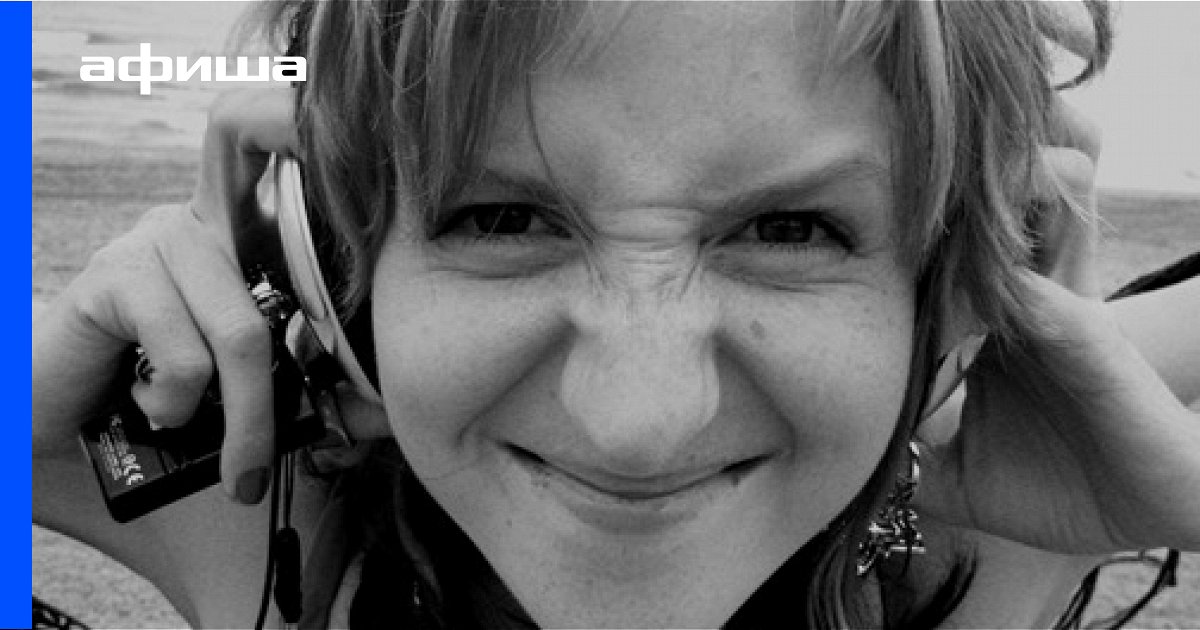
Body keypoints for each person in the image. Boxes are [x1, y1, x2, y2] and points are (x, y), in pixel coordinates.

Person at [32, 2, 1200, 628]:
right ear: (332, 269)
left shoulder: (1037, 462)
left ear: (945, 293)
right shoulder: (264, 507)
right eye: (503, 219)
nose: (638, 427)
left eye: (789, 230)